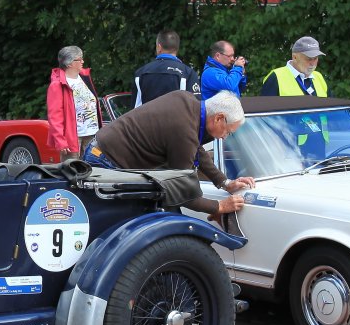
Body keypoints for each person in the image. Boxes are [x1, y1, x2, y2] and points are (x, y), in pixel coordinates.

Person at [86, 91, 255, 217]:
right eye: (228, 131)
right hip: (106, 162)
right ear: (218, 118)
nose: (225, 137)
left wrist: (225, 182)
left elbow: (196, 148)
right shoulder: (184, 131)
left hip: (103, 150)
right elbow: (180, 191)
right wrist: (218, 207)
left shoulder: (187, 101)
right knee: (117, 227)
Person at [46, 45, 99, 161]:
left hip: (92, 134)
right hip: (73, 138)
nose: (82, 61)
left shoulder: (85, 78)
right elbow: (55, 116)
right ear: (69, 64)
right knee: (73, 169)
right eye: (79, 59)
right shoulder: (57, 85)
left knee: (94, 168)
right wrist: (60, 140)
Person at [132, 29, 199, 107]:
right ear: (177, 48)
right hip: (176, 115)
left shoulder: (140, 73)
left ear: (159, 47)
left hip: (148, 115)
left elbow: (135, 108)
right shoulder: (188, 73)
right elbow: (195, 108)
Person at [258, 36, 328, 96]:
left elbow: (331, 105)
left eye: (315, 58)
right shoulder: (276, 77)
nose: (312, 63)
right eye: (308, 59)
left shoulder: (318, 77)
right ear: (295, 57)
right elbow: (264, 106)